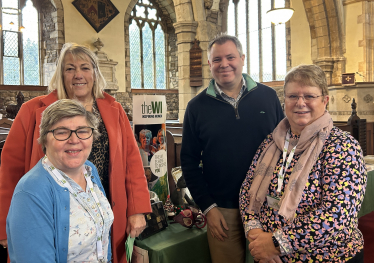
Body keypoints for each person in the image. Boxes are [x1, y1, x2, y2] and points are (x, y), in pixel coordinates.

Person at [0, 43, 151, 263]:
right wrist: (6, 225)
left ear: (95, 73)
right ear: (61, 74)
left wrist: (137, 209)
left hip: (105, 205)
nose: (78, 75)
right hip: (49, 208)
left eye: (85, 68)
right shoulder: (32, 110)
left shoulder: (113, 110)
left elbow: (132, 161)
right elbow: (10, 170)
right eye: (70, 68)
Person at [240, 64, 367, 263]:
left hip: (327, 258)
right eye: (292, 96)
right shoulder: (271, 142)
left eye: (309, 96)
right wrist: (255, 233)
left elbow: (337, 215)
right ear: (284, 102)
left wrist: (276, 244)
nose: (300, 103)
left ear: (325, 100)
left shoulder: (342, 146)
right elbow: (247, 191)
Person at [180, 33, 284, 263]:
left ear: (242, 59)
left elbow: (286, 148)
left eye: (230, 57)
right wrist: (208, 207)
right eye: (217, 59)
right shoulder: (196, 107)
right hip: (223, 209)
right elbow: (188, 161)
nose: (224, 64)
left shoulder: (268, 97)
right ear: (209, 64)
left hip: (268, 206)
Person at [7, 99, 113, 262]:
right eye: (62, 132)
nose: (74, 139)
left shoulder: (89, 171)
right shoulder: (29, 193)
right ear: (44, 139)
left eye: (83, 131)